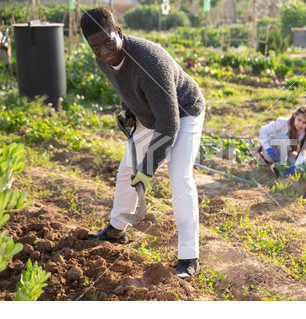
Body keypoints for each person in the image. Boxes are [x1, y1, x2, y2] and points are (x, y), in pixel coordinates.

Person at [80, 8, 205, 279]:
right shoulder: (103, 59)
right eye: (95, 46)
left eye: (107, 42)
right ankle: (116, 229)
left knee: (179, 177)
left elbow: (169, 126)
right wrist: (126, 110)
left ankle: (189, 257)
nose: (103, 51)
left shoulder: (150, 62)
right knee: (127, 168)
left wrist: (147, 169)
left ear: (119, 33)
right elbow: (126, 87)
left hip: (183, 113)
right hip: (150, 114)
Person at [257, 105, 306, 176]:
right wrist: (267, 148)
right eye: (299, 120)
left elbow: (304, 153)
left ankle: (278, 168)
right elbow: (263, 130)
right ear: (294, 116)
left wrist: (296, 166)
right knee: (284, 139)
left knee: (298, 162)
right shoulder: (282, 122)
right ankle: (278, 167)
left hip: (285, 154)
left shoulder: (305, 133)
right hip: (271, 152)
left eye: (304, 122)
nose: (300, 124)